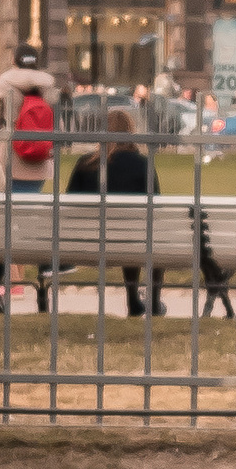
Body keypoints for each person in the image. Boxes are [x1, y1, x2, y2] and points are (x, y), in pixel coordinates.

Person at [67, 105, 165, 317]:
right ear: (131, 132)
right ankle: (151, 301)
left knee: (130, 235)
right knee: (150, 237)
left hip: (88, 242)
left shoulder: (85, 164)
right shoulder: (142, 164)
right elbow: (155, 207)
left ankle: (134, 301)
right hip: (132, 241)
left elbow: (69, 204)